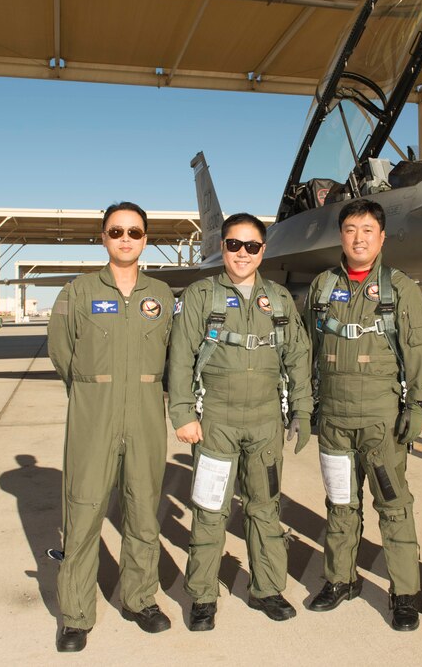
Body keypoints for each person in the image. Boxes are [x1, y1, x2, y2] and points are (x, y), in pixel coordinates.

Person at [168, 213, 313, 632]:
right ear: (223, 248)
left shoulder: (280, 299)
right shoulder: (202, 295)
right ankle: (201, 596)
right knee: (210, 508)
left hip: (266, 421)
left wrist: (301, 410)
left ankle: (267, 589)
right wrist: (182, 413)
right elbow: (180, 357)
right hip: (216, 421)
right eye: (234, 245)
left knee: (265, 507)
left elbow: (298, 356)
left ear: (263, 251)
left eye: (252, 246)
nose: (242, 254)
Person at [47, 202, 176, 652]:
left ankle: (140, 600)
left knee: (143, 511)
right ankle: (76, 615)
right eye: (116, 231)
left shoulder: (162, 295)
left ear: (145, 239)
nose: (125, 239)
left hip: (144, 417)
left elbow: (173, 356)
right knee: (82, 512)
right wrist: (91, 391)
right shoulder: (77, 292)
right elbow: (61, 353)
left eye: (134, 232)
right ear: (103, 237)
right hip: (94, 417)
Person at [305, 199, 422, 631]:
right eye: (349, 229)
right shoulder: (322, 287)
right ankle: (341, 579)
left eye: (367, 230)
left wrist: (418, 406)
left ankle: (404, 592)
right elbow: (308, 349)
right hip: (334, 420)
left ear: (381, 237)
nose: (358, 238)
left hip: (381, 422)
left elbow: (420, 352)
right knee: (341, 503)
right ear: (340, 235)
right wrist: (307, 404)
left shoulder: (400, 289)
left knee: (393, 505)